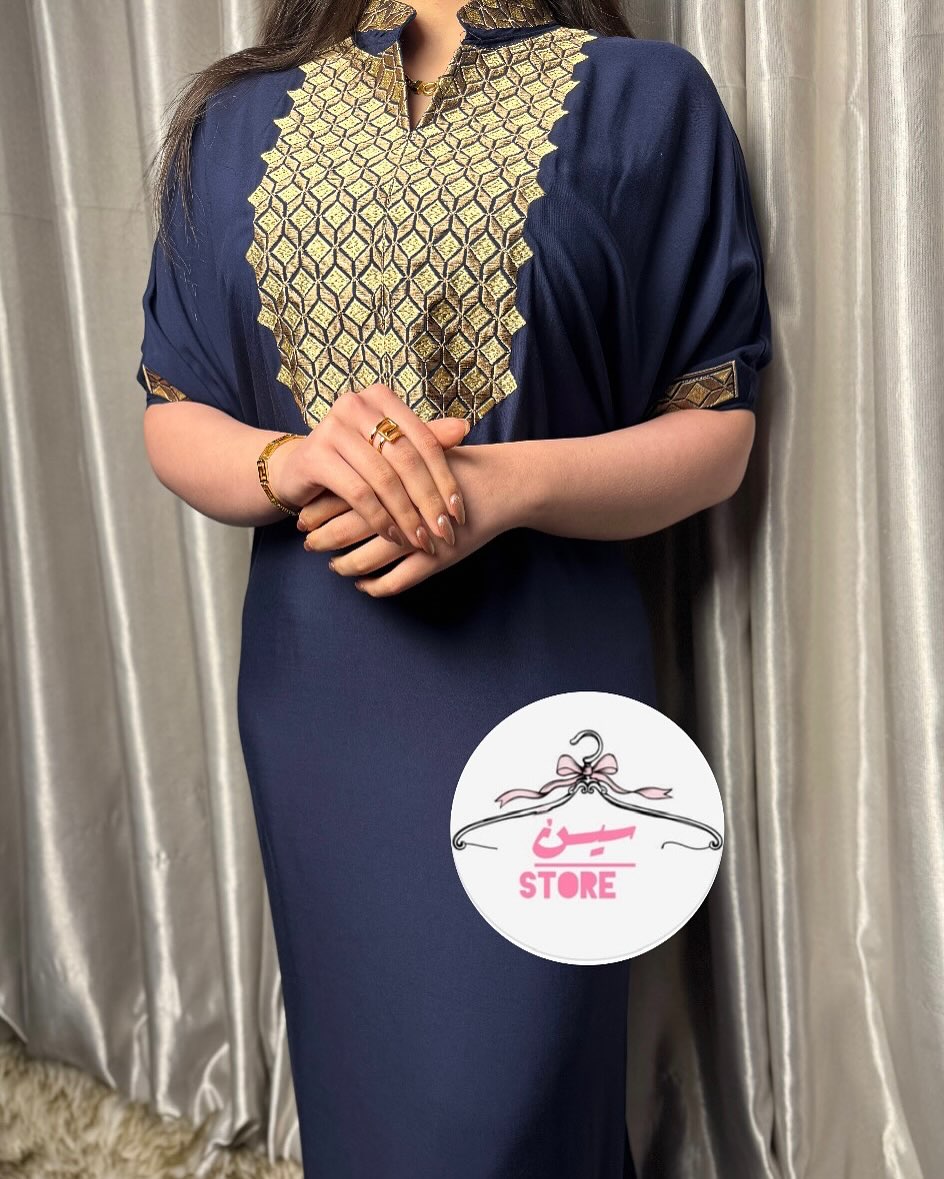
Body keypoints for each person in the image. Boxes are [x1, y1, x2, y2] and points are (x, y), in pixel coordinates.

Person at [135, 1, 773, 1174]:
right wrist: (295, 462)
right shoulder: (235, 118)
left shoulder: (646, 99)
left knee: (517, 1107)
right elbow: (175, 412)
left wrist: (495, 487)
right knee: (370, 1111)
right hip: (320, 708)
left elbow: (715, 434)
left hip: (545, 696)